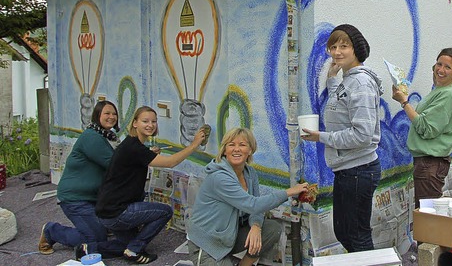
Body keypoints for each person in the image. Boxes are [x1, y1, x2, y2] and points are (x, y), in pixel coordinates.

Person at [301, 24, 382, 252]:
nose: (337, 52)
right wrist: (332, 79)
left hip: (358, 169)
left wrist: (322, 137)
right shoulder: (349, 80)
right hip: (349, 169)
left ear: (356, 48)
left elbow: (363, 135)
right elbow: (344, 101)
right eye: (333, 46)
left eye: (344, 46)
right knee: (346, 233)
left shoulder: (361, 83)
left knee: (356, 237)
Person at [95, 105, 206, 264]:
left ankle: (88, 248)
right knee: (165, 211)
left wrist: (149, 154)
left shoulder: (132, 145)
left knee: (124, 244)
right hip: (117, 212)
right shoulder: (135, 149)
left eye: (153, 121)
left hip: (105, 210)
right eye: (145, 121)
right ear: (135, 123)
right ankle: (134, 251)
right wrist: (194, 145)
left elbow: (136, 160)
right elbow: (171, 162)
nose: (150, 125)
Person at [187, 127, 309, 266]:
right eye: (231, 145)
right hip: (208, 243)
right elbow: (253, 204)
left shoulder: (249, 172)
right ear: (224, 150)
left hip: (229, 236)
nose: (236, 149)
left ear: (250, 150)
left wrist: (256, 226)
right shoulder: (219, 177)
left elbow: (257, 210)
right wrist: (289, 192)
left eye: (242, 145)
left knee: (271, 229)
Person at [39, 100, 127, 259]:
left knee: (105, 233)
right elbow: (114, 164)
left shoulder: (109, 137)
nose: (112, 117)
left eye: (114, 114)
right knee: (96, 240)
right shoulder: (91, 137)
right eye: (107, 113)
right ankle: (51, 231)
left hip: (94, 198)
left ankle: (98, 224)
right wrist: (143, 158)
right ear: (97, 115)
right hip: (76, 198)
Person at [392, 47, 452, 206]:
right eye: (439, 64)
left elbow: (427, 128)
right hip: (428, 164)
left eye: (448, 67)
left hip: (430, 165)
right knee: (428, 216)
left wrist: (404, 102)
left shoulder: (448, 94)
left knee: (428, 220)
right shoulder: (440, 90)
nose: (441, 70)